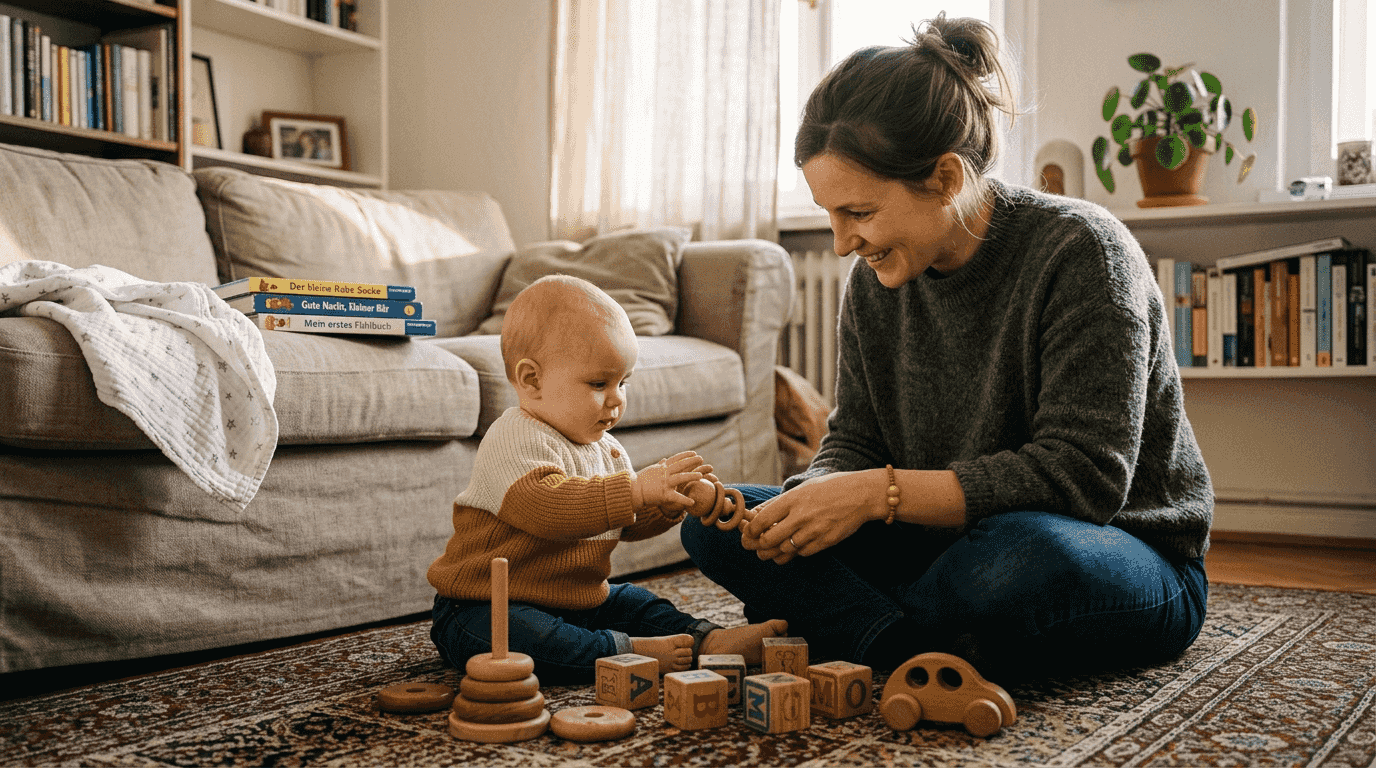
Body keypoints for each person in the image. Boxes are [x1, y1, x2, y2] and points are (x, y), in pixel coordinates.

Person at [681, 13, 1213, 682]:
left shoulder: (1084, 252)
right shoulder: (873, 281)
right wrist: (814, 499)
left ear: (946, 178)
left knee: (1009, 561)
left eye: (859, 213)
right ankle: (913, 655)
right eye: (830, 215)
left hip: (1115, 549)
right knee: (721, 526)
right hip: (940, 545)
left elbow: (1083, 480)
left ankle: (856, 631)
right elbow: (857, 441)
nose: (843, 241)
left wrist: (875, 496)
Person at [427, 275, 787, 684]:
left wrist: (667, 503)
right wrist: (636, 489)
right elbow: (548, 508)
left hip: (575, 599)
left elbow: (622, 522)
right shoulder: (514, 438)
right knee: (523, 638)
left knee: (635, 602)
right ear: (532, 380)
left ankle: (706, 640)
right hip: (483, 605)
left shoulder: (606, 448)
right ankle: (623, 653)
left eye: (623, 382)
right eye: (599, 383)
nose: (616, 399)